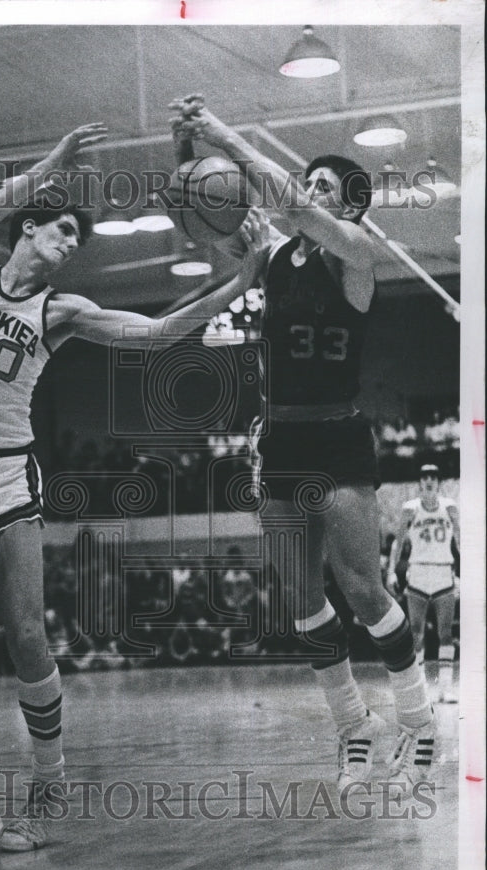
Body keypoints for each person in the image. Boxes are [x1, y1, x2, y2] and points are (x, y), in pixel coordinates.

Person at [0, 123, 272, 852]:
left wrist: (239, 279)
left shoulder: (60, 311)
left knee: (27, 632)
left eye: (77, 237)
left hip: (9, 471)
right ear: (28, 229)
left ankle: (47, 785)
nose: (70, 243)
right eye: (60, 231)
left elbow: (153, 334)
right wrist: (51, 165)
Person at [170, 95, 437, 796]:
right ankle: (354, 724)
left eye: (322, 187)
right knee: (299, 595)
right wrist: (187, 150)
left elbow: (287, 201)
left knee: (362, 585)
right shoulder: (275, 253)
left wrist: (223, 131)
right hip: (281, 437)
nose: (308, 192)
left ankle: (417, 715)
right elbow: (204, 224)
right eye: (308, 182)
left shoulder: (358, 254)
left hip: (340, 434)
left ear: (348, 207)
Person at [388, 464, 460, 703]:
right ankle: (420, 689)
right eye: (425, 477)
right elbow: (398, 544)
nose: (429, 480)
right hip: (418, 572)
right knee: (416, 633)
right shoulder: (410, 508)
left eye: (433, 477)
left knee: (446, 633)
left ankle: (446, 688)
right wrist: (390, 572)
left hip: (442, 572)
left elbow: (460, 540)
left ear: (438, 482)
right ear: (420, 482)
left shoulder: (450, 507)